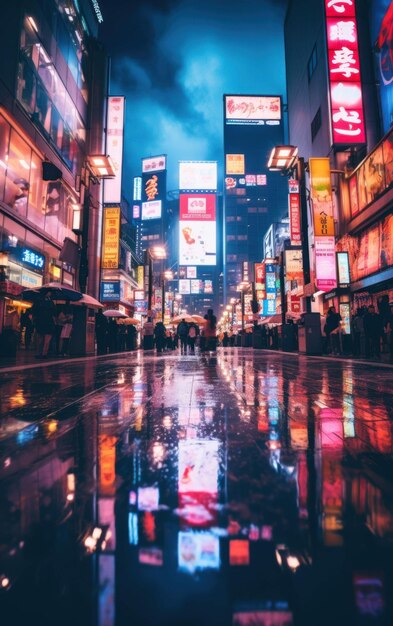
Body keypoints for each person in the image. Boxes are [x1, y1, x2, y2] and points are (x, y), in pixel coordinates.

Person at [31, 291, 56, 358]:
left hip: (40, 322)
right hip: (48, 322)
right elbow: (54, 313)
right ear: (47, 293)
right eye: (49, 292)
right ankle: (44, 353)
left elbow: (34, 311)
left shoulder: (38, 301)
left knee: (40, 338)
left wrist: (34, 320)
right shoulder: (51, 302)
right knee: (47, 339)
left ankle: (39, 353)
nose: (50, 293)